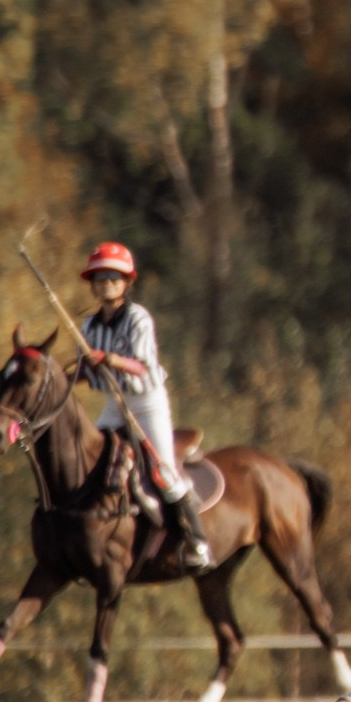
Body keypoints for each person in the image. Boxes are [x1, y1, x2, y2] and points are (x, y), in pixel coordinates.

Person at [78, 243, 213, 572]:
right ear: (92, 284)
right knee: (89, 458)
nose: (106, 284)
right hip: (115, 404)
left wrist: (109, 359)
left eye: (114, 277)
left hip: (147, 403)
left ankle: (198, 542)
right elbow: (86, 374)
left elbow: (141, 366)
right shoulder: (89, 327)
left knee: (163, 471)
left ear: (127, 282)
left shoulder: (138, 318)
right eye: (100, 278)